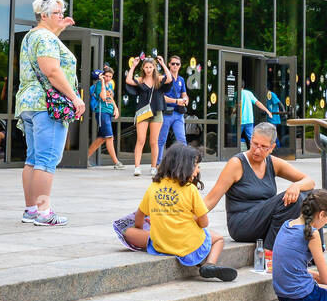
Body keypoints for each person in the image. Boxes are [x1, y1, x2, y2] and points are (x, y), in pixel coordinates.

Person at [110, 145, 236, 281]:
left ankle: (160, 240)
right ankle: (209, 265)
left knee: (128, 232)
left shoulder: (154, 187)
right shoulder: (190, 190)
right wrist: (193, 219)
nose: (198, 170)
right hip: (188, 246)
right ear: (185, 166)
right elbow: (204, 223)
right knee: (218, 239)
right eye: (196, 165)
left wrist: (141, 229)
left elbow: (139, 216)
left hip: (161, 245)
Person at [15, 0, 86, 227]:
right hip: (47, 106)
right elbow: (52, 71)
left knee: (33, 159)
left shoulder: (33, 36)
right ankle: (44, 213)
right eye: (58, 13)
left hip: (29, 104)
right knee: (46, 160)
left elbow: (43, 56)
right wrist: (75, 98)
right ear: (44, 15)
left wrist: (59, 29)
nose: (62, 16)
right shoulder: (45, 38)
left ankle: (31, 210)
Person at [205, 122, 316, 244]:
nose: (257, 150)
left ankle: (314, 251)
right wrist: (187, 220)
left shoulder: (273, 162)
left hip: (266, 223)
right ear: (251, 140)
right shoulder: (236, 164)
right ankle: (270, 251)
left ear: (272, 147)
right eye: (255, 144)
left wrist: (297, 185)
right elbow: (211, 199)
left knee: (312, 196)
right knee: (290, 200)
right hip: (242, 225)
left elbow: (309, 181)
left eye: (263, 147)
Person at [126, 53, 174, 175]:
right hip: (143, 112)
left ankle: (154, 167)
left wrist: (163, 64)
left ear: (154, 68)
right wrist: (134, 65)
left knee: (154, 141)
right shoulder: (141, 80)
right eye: (146, 67)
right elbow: (128, 80)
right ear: (143, 68)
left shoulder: (158, 79)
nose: (148, 69)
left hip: (157, 112)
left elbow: (169, 78)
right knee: (140, 140)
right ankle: (137, 167)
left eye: (150, 67)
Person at [87, 65, 124, 168]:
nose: (108, 78)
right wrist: (102, 82)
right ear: (102, 76)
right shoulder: (100, 84)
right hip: (101, 112)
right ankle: (116, 162)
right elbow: (103, 97)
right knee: (109, 137)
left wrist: (116, 109)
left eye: (110, 76)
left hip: (108, 112)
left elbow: (110, 98)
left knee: (101, 138)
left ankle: (85, 158)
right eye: (106, 76)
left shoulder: (110, 86)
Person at [160, 54, 189, 153]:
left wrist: (185, 100)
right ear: (169, 65)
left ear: (180, 65)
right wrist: (176, 101)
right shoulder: (164, 78)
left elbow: (184, 94)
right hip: (166, 113)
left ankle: (185, 164)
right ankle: (157, 164)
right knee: (161, 140)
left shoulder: (181, 80)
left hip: (178, 114)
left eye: (177, 64)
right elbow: (160, 97)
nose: (175, 66)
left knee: (182, 140)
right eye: (173, 64)